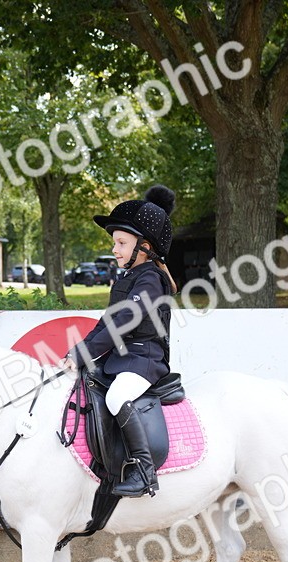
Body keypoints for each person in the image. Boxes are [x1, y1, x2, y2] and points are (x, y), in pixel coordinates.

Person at [63, 185, 178, 498]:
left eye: (121, 242)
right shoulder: (127, 278)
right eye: (114, 242)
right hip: (122, 358)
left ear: (145, 245)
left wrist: (86, 352)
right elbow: (106, 322)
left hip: (145, 360)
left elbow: (126, 322)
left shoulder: (151, 279)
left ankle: (144, 470)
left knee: (116, 397)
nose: (114, 249)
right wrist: (77, 352)